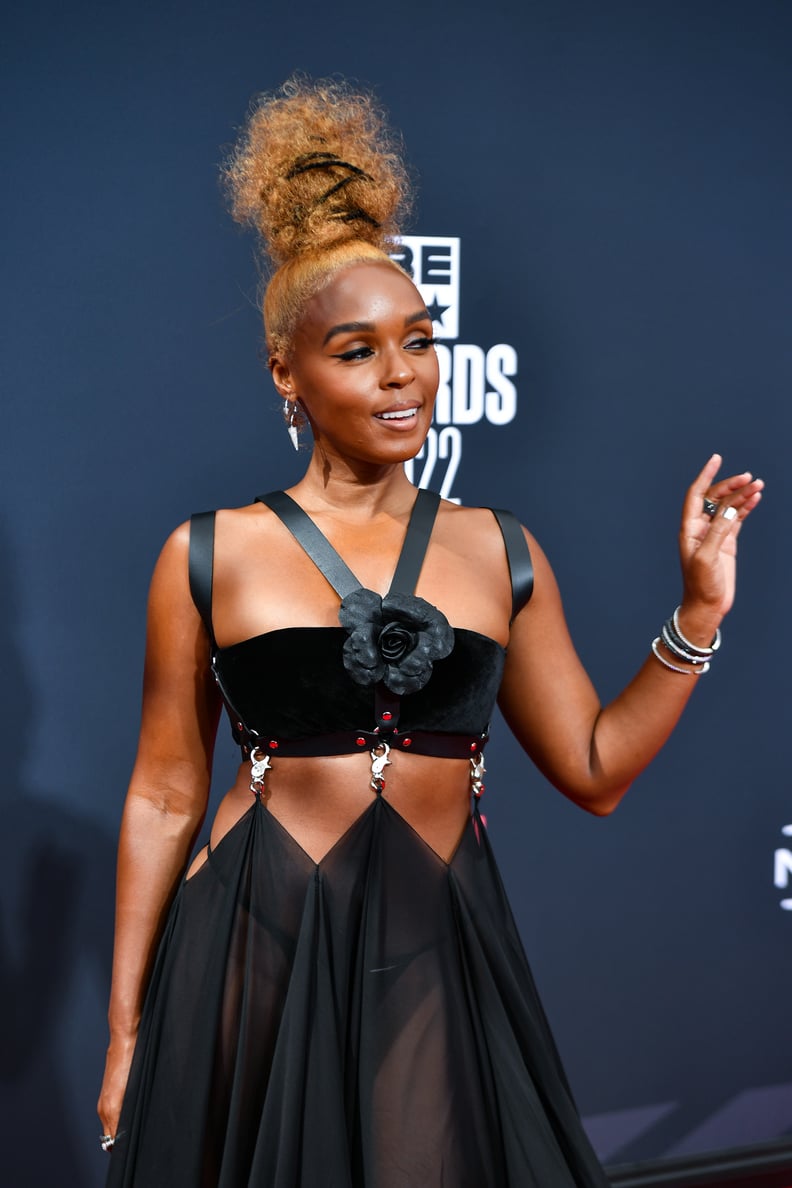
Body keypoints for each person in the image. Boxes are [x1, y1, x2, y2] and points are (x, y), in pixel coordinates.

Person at [97, 77, 763, 1187]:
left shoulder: (500, 550)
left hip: (431, 939)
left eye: (419, 340)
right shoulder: (206, 553)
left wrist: (696, 615)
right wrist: (125, 1028)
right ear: (288, 377)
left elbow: (596, 769)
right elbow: (164, 791)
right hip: (253, 928)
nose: (402, 376)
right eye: (356, 351)